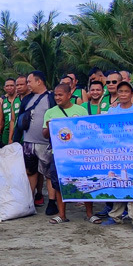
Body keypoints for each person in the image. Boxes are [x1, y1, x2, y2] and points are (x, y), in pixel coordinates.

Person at [103, 81, 133, 231]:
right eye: (120, 91)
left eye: (126, 92)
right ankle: (115, 215)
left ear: (132, 94)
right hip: (116, 154)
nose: (123, 94)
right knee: (118, 184)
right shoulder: (112, 112)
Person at [41, 83, 89, 224]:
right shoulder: (50, 112)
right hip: (59, 153)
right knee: (58, 184)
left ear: (69, 95)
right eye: (55, 95)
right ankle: (62, 215)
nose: (57, 97)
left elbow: (87, 130)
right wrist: (50, 126)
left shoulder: (81, 110)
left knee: (84, 182)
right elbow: (44, 134)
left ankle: (90, 213)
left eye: (60, 94)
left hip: (78, 152)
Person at [18, 71, 55, 211]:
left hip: (46, 142)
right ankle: (29, 200)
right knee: (30, 172)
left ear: (39, 82)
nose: (28, 84)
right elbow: (19, 120)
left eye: (29, 81)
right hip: (28, 141)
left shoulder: (51, 98)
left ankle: (51, 203)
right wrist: (16, 140)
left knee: (48, 174)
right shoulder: (26, 99)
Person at [0, 78, 20, 146]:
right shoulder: (2, 101)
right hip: (6, 133)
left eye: (11, 85)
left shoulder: (20, 99)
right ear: (4, 88)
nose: (9, 88)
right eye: (7, 86)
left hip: (19, 132)